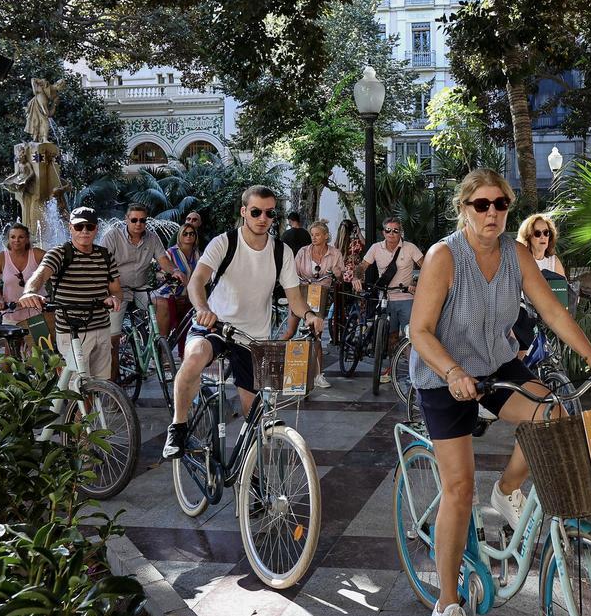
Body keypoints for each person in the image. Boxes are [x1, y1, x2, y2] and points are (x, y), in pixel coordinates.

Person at [408, 169, 591, 616]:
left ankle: (507, 490)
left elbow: (554, 313)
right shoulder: (444, 257)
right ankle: (447, 607)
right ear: (465, 208)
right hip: (444, 376)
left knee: (555, 414)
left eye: (500, 205)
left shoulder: (516, 255)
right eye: (482, 205)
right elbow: (420, 330)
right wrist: (454, 372)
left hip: (496, 366)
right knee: (458, 489)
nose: (493, 213)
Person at [162, 186, 325, 460]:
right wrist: (202, 308)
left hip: (252, 338)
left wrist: (309, 315)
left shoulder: (281, 252)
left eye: (270, 213)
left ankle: (254, 479)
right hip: (216, 325)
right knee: (194, 359)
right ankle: (178, 426)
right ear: (244, 212)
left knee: (256, 417)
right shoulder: (224, 243)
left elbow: (295, 298)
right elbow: (197, 281)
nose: (263, 218)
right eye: (256, 212)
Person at [17, 207, 122, 381]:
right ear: (70, 228)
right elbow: (41, 273)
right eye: (79, 227)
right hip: (72, 331)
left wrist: (115, 298)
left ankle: (91, 410)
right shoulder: (60, 253)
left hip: (101, 327)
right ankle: (78, 409)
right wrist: (29, 292)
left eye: (90, 226)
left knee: (102, 384)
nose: (85, 231)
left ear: (96, 228)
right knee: (78, 388)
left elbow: (116, 289)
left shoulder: (105, 255)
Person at [101, 203, 178, 379]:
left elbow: (163, 259)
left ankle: (159, 349)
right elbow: (102, 264)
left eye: (142, 220)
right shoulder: (113, 236)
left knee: (162, 304)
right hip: (118, 291)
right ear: (126, 220)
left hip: (141, 288)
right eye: (134, 220)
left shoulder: (152, 238)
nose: (138, 224)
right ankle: (114, 386)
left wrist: (175, 271)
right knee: (113, 340)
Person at [356, 217, 423, 383]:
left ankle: (414, 373)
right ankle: (391, 369)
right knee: (390, 337)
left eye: (396, 230)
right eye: (388, 230)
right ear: (383, 232)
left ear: (400, 232)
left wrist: (416, 283)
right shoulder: (375, 248)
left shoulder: (409, 248)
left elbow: (427, 265)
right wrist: (357, 278)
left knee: (410, 336)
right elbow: (362, 266)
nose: (392, 234)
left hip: (407, 298)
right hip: (385, 297)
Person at [286, 220, 345, 388]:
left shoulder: (335, 253)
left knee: (316, 334)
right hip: (301, 292)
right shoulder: (303, 252)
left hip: (319, 294)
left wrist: (337, 273)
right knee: (290, 331)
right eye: (312, 235)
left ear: (326, 236)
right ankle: (276, 364)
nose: (314, 237)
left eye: (317, 235)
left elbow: (339, 277)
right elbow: (291, 273)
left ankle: (318, 374)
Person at [513, 214, 566, 358]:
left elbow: (563, 289)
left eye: (546, 233)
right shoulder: (521, 259)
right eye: (537, 233)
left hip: (547, 313)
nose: (543, 237)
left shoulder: (554, 261)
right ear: (528, 237)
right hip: (523, 312)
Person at [0, 223, 48, 327]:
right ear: (8, 239)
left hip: (38, 312)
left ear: (27, 239)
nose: (16, 240)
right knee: (12, 343)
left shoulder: (37, 254)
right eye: (13, 237)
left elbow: (55, 261)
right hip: (11, 313)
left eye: (21, 237)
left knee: (39, 343)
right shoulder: (1, 258)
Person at [156, 222, 202, 354]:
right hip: (170, 295)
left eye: (191, 233)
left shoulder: (197, 254)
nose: (188, 236)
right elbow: (159, 274)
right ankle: (161, 354)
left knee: (187, 329)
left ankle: (184, 356)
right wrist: (173, 281)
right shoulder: (170, 253)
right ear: (180, 236)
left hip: (188, 297)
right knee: (168, 326)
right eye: (185, 233)